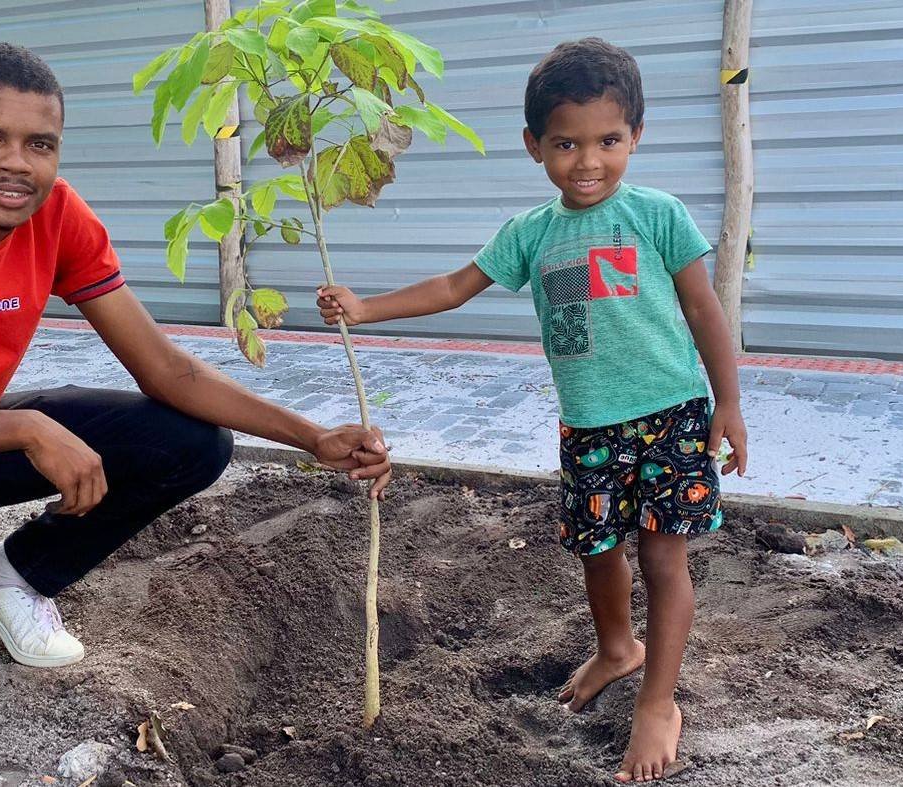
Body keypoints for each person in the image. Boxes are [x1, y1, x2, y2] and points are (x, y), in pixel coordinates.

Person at [0, 42, 390, 767]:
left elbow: (166, 369)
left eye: (40, 144)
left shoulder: (57, 216)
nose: (16, 164)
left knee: (192, 442)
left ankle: (10, 578)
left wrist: (311, 436)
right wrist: (24, 426)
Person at [315, 37, 747, 783]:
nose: (588, 162)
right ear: (534, 146)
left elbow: (705, 310)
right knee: (597, 550)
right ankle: (617, 649)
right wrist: (364, 307)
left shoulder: (660, 215)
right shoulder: (531, 233)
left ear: (636, 137)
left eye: (609, 141)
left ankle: (657, 702)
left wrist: (729, 401)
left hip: (672, 417)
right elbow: (454, 287)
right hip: (589, 426)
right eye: (566, 144)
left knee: (662, 557)